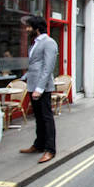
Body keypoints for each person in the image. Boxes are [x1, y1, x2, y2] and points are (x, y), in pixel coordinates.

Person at [19, 15, 58, 164]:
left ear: (36, 28)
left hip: (42, 88)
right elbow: (35, 64)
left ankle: (50, 150)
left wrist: (40, 88)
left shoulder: (49, 43)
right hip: (32, 85)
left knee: (47, 118)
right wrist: (25, 78)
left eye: (29, 27)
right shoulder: (35, 43)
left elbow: (47, 67)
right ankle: (39, 144)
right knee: (39, 118)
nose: (27, 29)